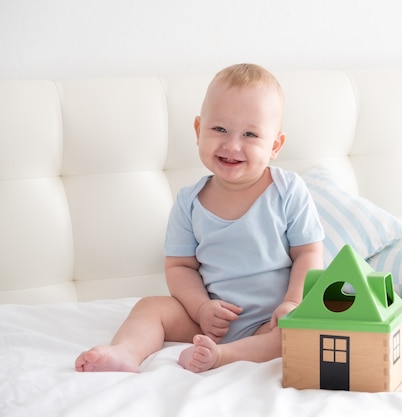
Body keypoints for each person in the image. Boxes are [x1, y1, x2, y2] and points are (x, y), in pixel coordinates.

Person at [74, 63, 325, 373]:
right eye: (219, 129)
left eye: (250, 134)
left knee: (297, 334)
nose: (232, 145)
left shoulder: (287, 190)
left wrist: (293, 304)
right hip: (209, 319)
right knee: (150, 307)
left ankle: (224, 356)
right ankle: (126, 351)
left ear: (274, 145)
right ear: (198, 130)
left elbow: (309, 254)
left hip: (271, 319)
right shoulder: (189, 202)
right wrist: (201, 307)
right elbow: (180, 267)